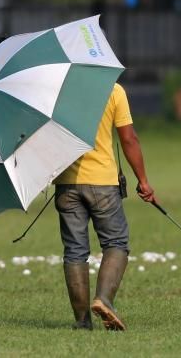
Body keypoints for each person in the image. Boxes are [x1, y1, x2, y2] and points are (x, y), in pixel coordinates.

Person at [53, 83, 156, 331]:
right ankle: (104, 299)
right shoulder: (112, 90)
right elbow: (128, 138)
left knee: (75, 251)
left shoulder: (58, 88)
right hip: (102, 183)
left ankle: (82, 321)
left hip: (66, 184)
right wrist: (143, 180)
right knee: (116, 242)